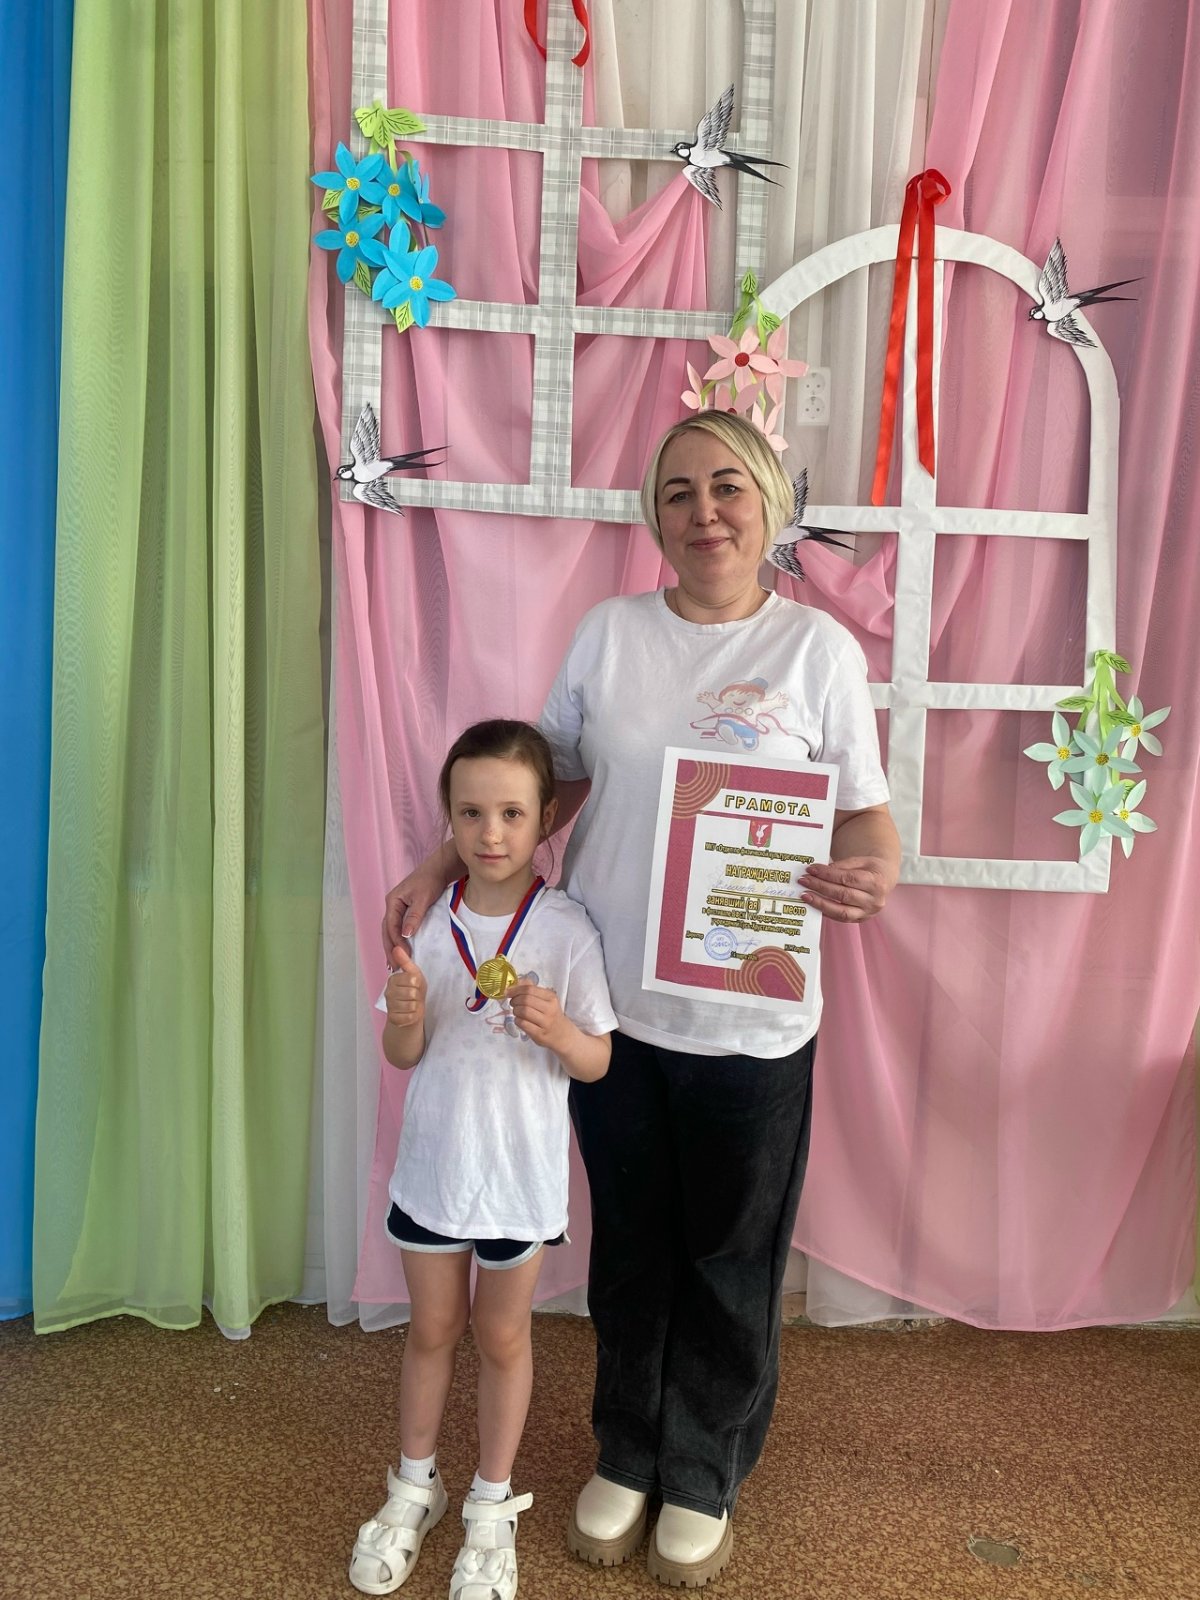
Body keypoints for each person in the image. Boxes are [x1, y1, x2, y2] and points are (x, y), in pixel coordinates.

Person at [382, 412, 900, 1589]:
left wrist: (875, 871)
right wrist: (438, 861)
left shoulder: (818, 651)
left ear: (767, 504)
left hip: (751, 1020)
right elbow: (540, 785)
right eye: (677, 492)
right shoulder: (609, 635)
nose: (703, 511)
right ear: (653, 518)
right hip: (608, 1012)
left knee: (730, 1255)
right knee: (632, 1248)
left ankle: (703, 1465)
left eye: (727, 487)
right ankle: (626, 1448)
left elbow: (867, 817)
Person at [351, 719, 617, 1600]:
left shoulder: (567, 929)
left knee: (503, 1337)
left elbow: (597, 1060)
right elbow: (404, 1055)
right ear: (450, 818)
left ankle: (491, 1504)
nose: (490, 833)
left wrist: (561, 1031)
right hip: (435, 1170)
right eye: (470, 813)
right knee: (431, 1330)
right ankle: (412, 1486)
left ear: (546, 818)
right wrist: (402, 1018)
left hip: (516, 1180)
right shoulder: (429, 921)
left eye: (511, 813)